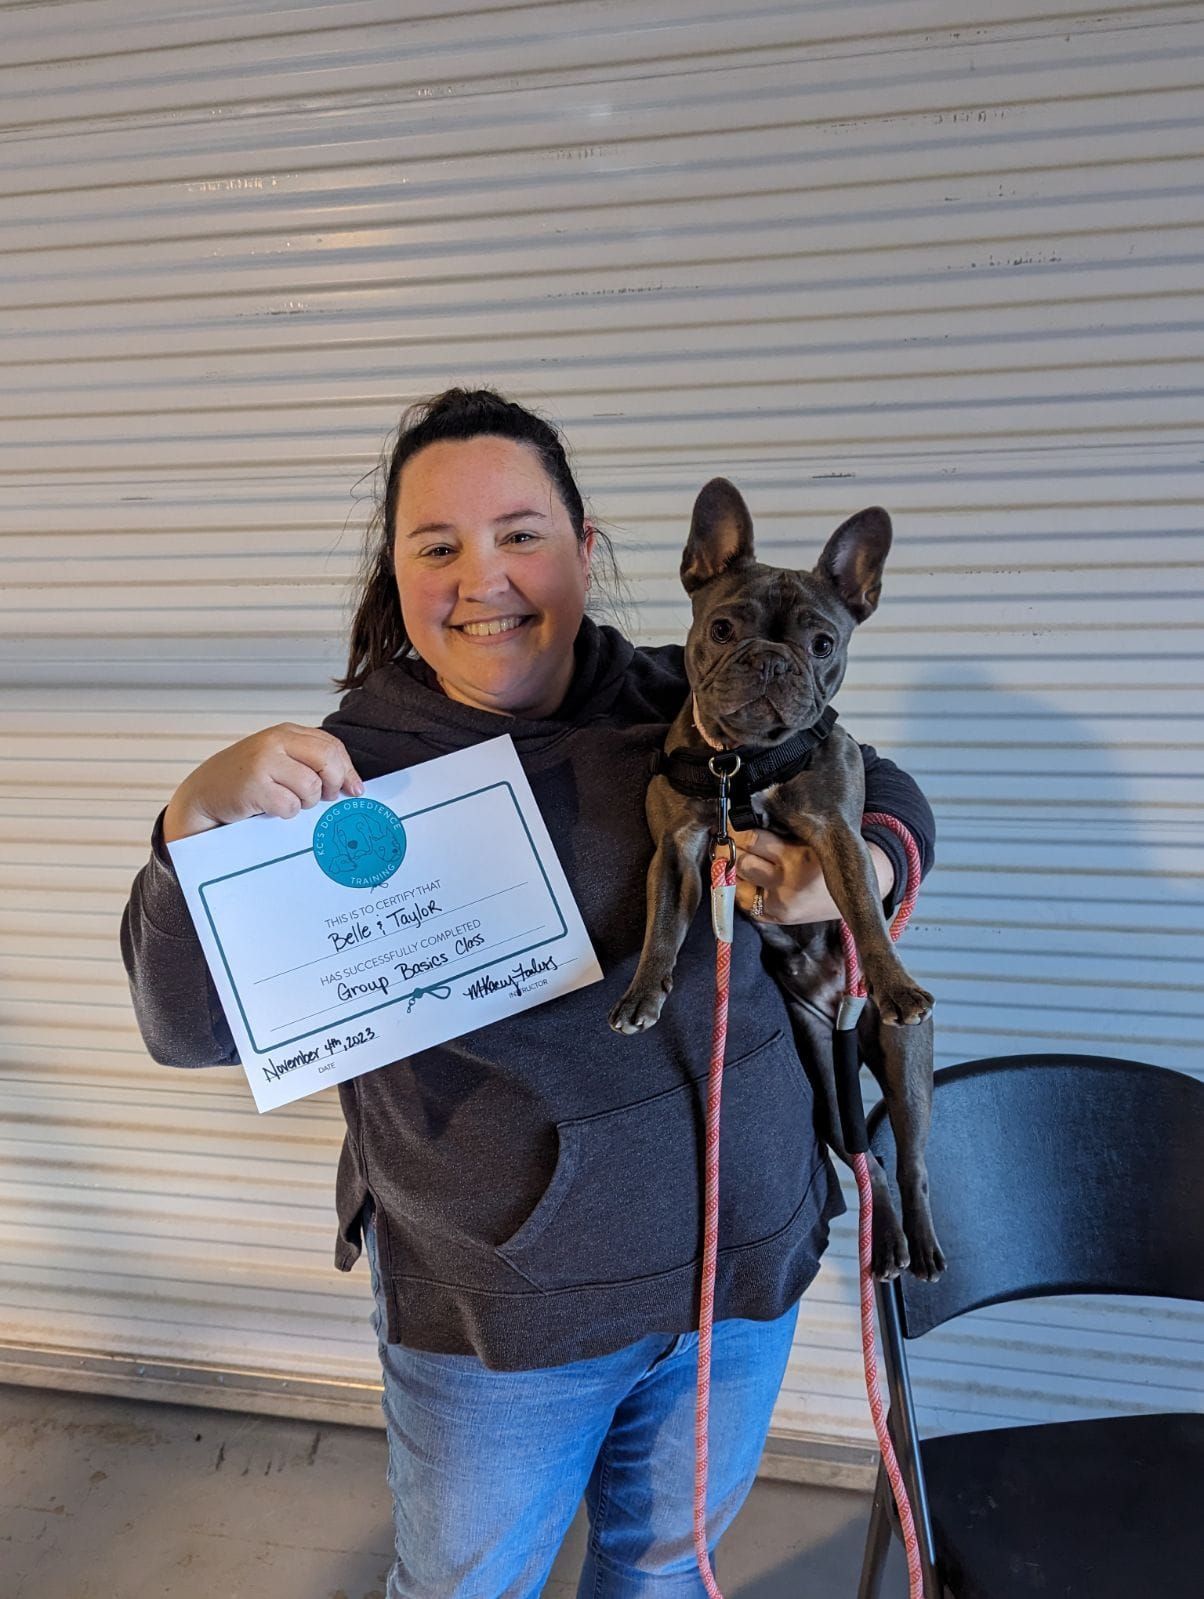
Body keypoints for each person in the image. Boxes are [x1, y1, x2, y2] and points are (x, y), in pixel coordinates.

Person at [120, 388, 934, 1598]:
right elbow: (184, 1025)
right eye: (436, 546)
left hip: (739, 1274)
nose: (483, 576)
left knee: (665, 1573)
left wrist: (860, 864)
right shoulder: (343, 779)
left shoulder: (694, 691)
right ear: (393, 575)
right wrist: (190, 829)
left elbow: (878, 777)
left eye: (520, 535)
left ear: (585, 552)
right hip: (506, 1315)